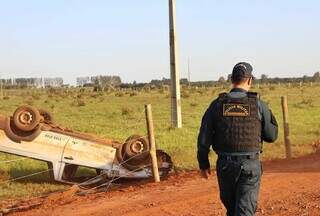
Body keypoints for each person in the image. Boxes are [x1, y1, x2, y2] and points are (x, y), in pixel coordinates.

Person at [197, 62, 278, 216]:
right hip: (249, 165)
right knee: (243, 212)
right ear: (249, 80)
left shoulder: (217, 105)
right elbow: (272, 136)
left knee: (233, 210)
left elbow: (204, 137)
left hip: (225, 166)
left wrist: (203, 163)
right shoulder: (258, 105)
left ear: (232, 79)